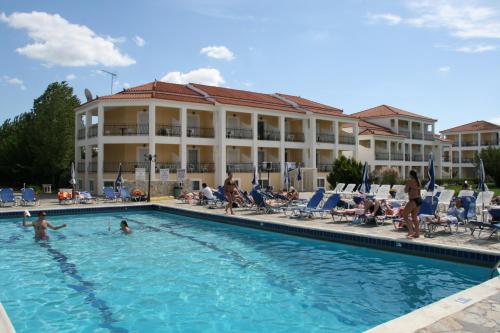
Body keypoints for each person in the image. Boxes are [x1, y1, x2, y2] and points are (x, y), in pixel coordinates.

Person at [403, 170, 422, 238]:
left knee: (405, 215)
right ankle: (417, 233)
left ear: (410, 175)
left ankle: (411, 230)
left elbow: (405, 191)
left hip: (413, 200)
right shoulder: (418, 181)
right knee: (414, 217)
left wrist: (409, 187)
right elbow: (419, 192)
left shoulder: (410, 181)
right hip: (419, 200)